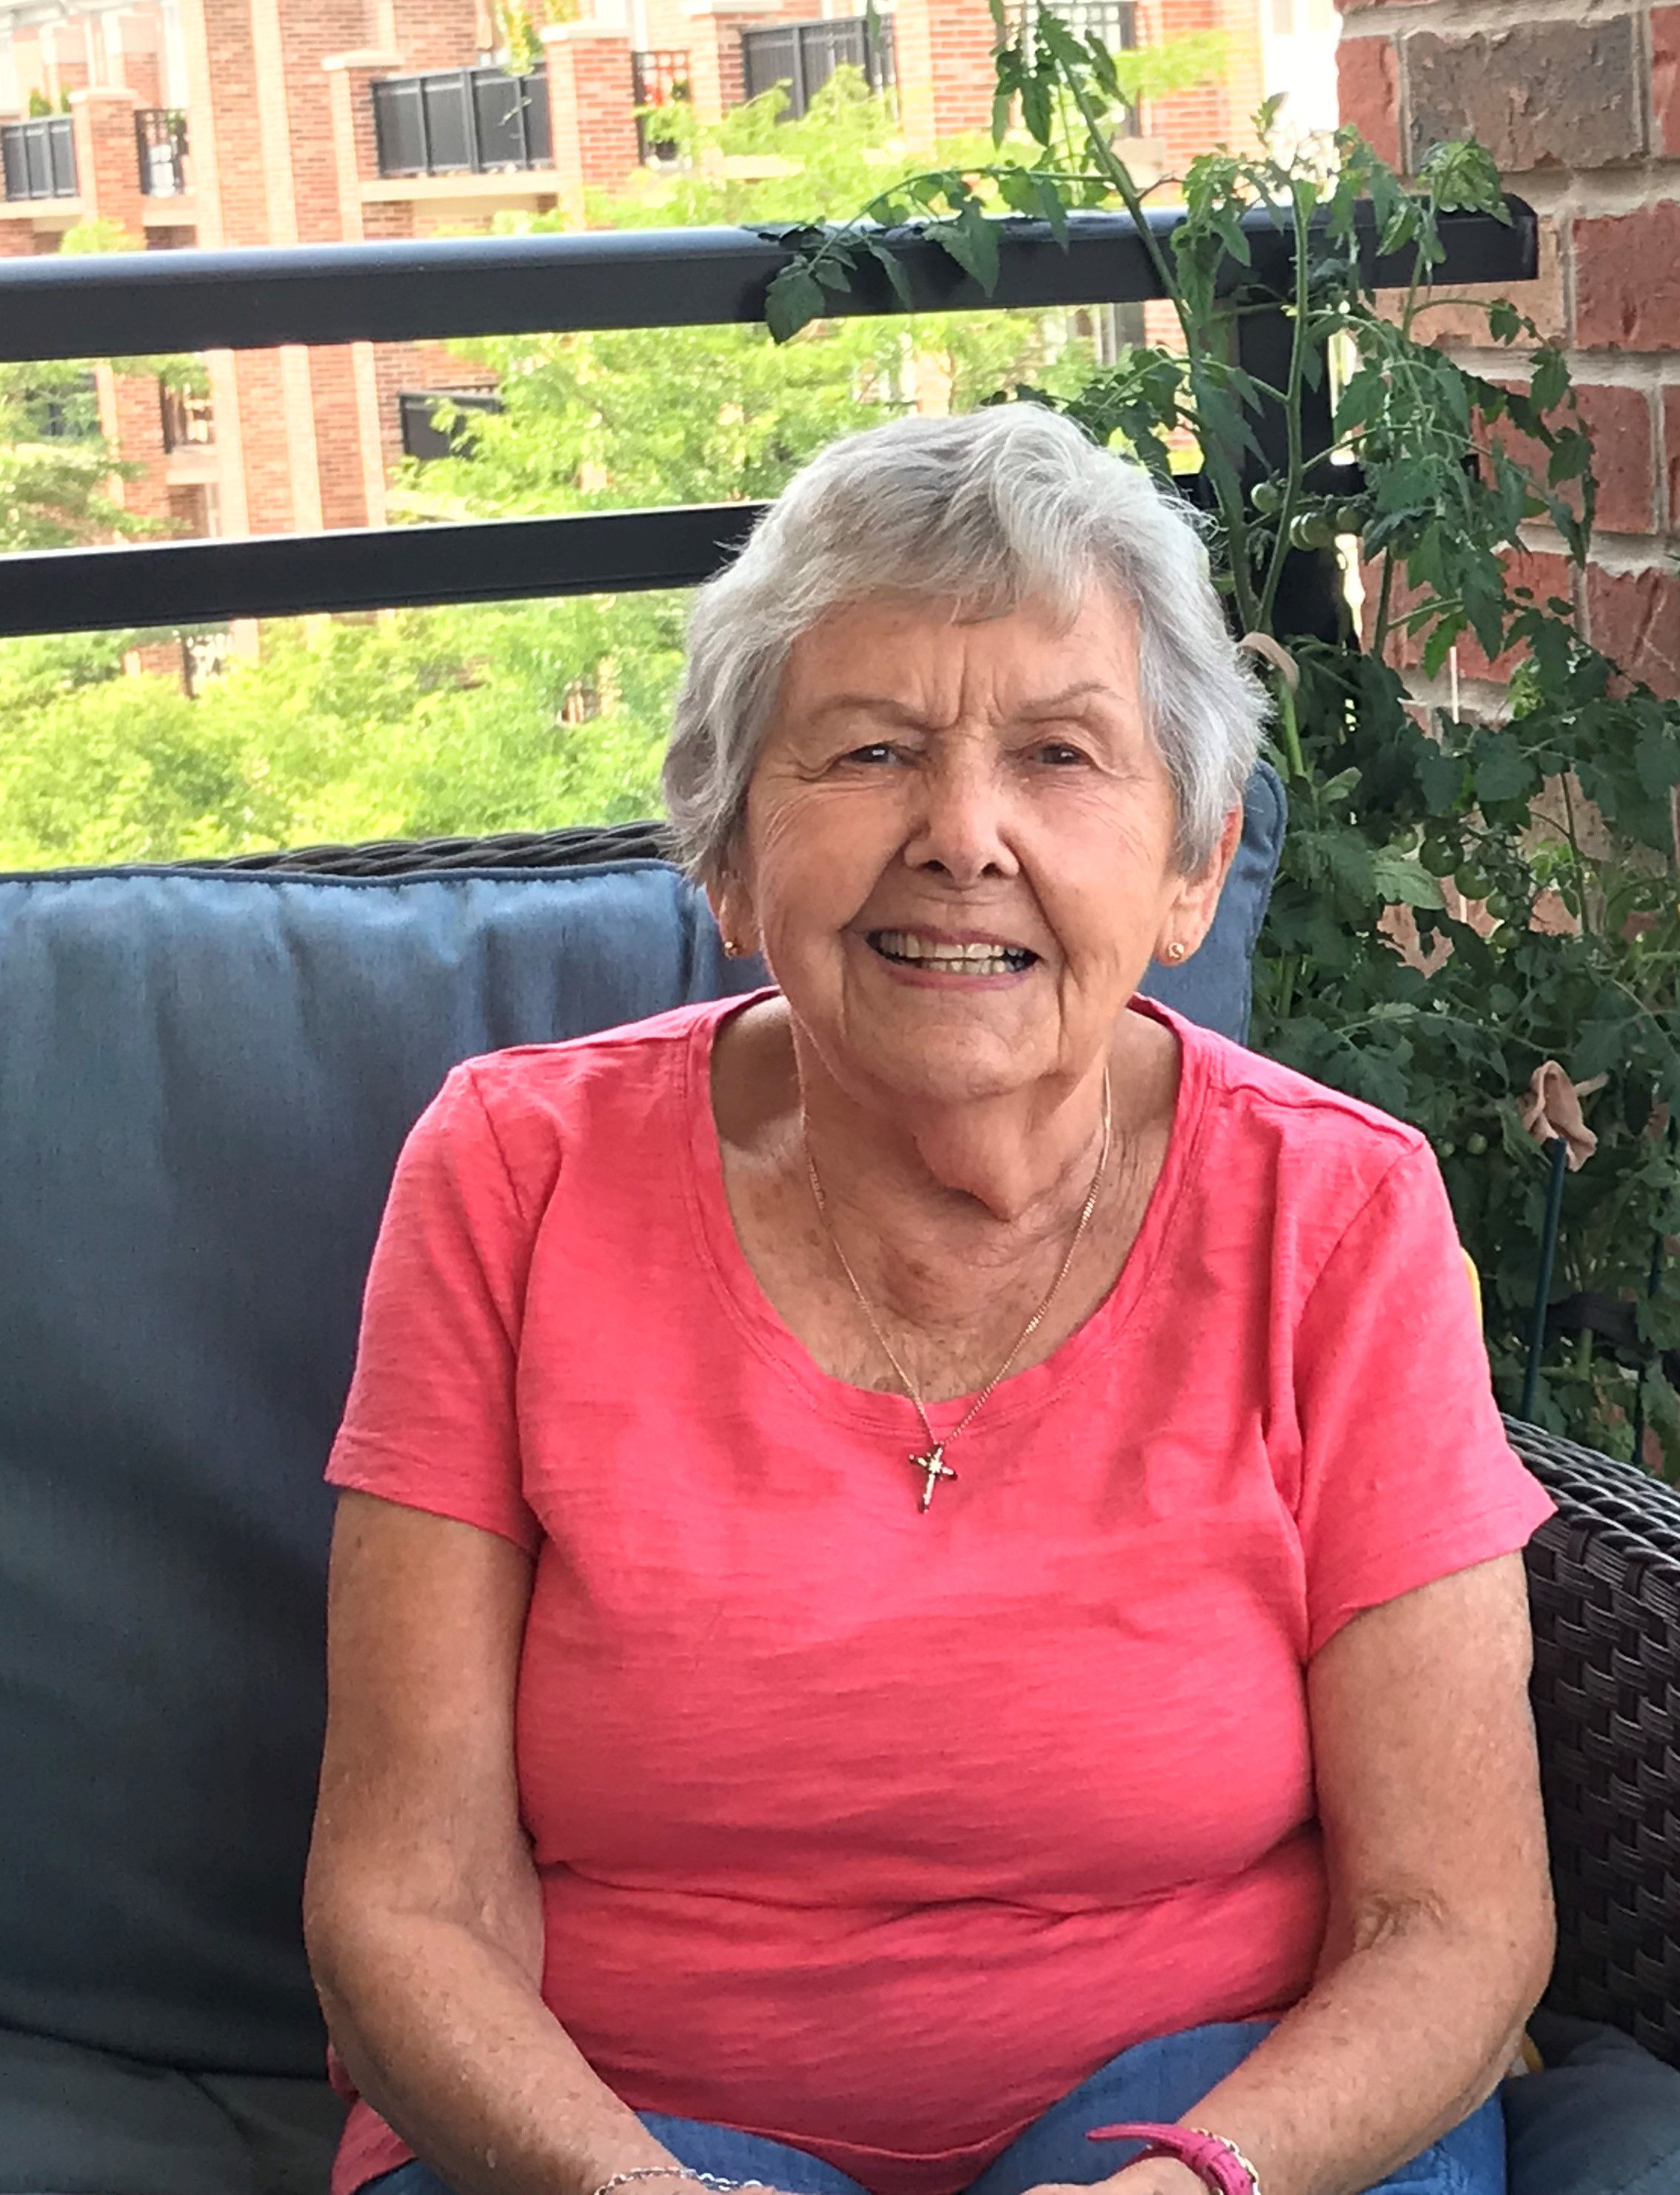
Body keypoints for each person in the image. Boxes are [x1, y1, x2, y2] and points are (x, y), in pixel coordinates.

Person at [302, 401, 1565, 2195]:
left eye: (1061, 756)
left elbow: (1456, 1917)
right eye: (872, 751)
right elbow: (400, 1898)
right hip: (604, 2138)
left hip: (1204, 2118)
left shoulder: (1335, 1213)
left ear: (1194, 863)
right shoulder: (513, 1180)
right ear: (730, 856)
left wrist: (1192, 2186)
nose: (963, 834)